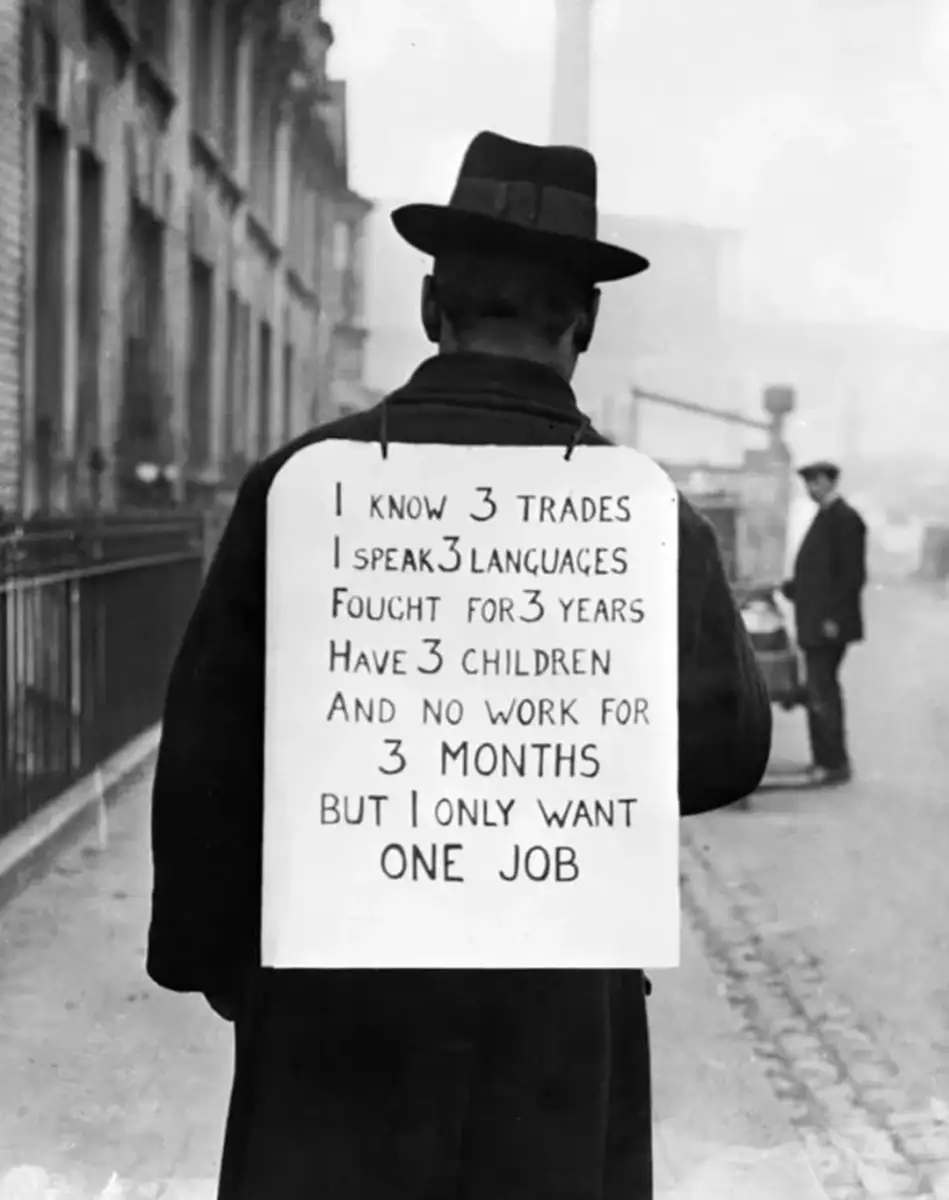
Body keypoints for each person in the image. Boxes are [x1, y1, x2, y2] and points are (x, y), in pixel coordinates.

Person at [146, 131, 772, 1200]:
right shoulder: (648, 515)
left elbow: (211, 744)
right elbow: (723, 751)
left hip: (333, 995)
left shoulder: (302, 486)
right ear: (583, 321)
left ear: (435, 309)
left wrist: (225, 962)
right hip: (556, 1008)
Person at [782, 460, 867, 786]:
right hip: (816, 620)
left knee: (823, 692)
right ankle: (825, 760)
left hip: (827, 625)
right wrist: (791, 588)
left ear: (830, 482)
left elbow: (851, 577)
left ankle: (833, 764)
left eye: (815, 482)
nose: (810, 489)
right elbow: (818, 571)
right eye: (807, 483)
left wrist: (834, 618)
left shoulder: (845, 519)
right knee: (820, 691)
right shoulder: (827, 517)